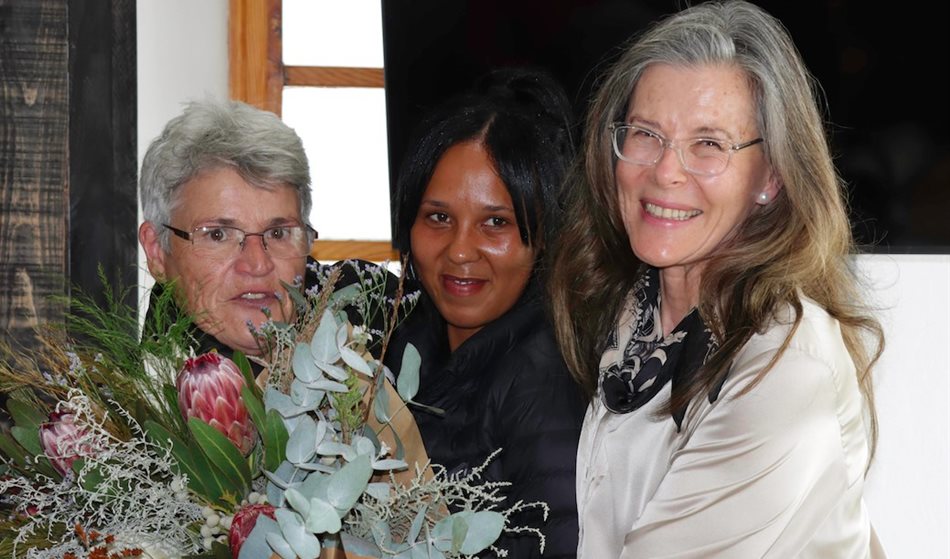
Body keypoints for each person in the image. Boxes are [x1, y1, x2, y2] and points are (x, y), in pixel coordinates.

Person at [548, 2, 886, 557]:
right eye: (645, 134)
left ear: (771, 177)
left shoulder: (786, 362)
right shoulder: (632, 311)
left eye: (708, 144)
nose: (665, 170)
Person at [384, 68, 587, 558]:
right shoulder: (405, 344)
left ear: (546, 236)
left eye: (496, 222)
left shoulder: (546, 378)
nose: (459, 250)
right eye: (438, 218)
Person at [138, 98, 316, 360]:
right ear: (157, 252)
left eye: (278, 233)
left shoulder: (381, 330)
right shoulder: (115, 397)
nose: (258, 264)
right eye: (218, 235)